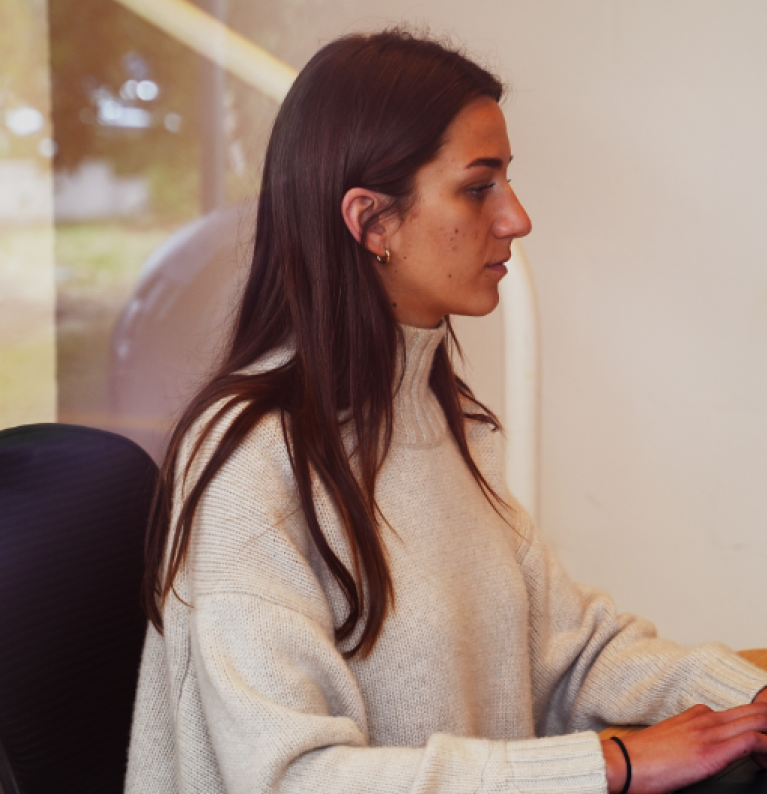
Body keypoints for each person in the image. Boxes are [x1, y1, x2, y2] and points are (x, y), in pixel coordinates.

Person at [125, 29, 767, 794]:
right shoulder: (248, 459)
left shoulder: (441, 420)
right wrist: (611, 764)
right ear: (372, 223)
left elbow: (573, 650)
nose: (516, 219)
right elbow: (291, 778)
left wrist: (747, 701)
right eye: (477, 187)